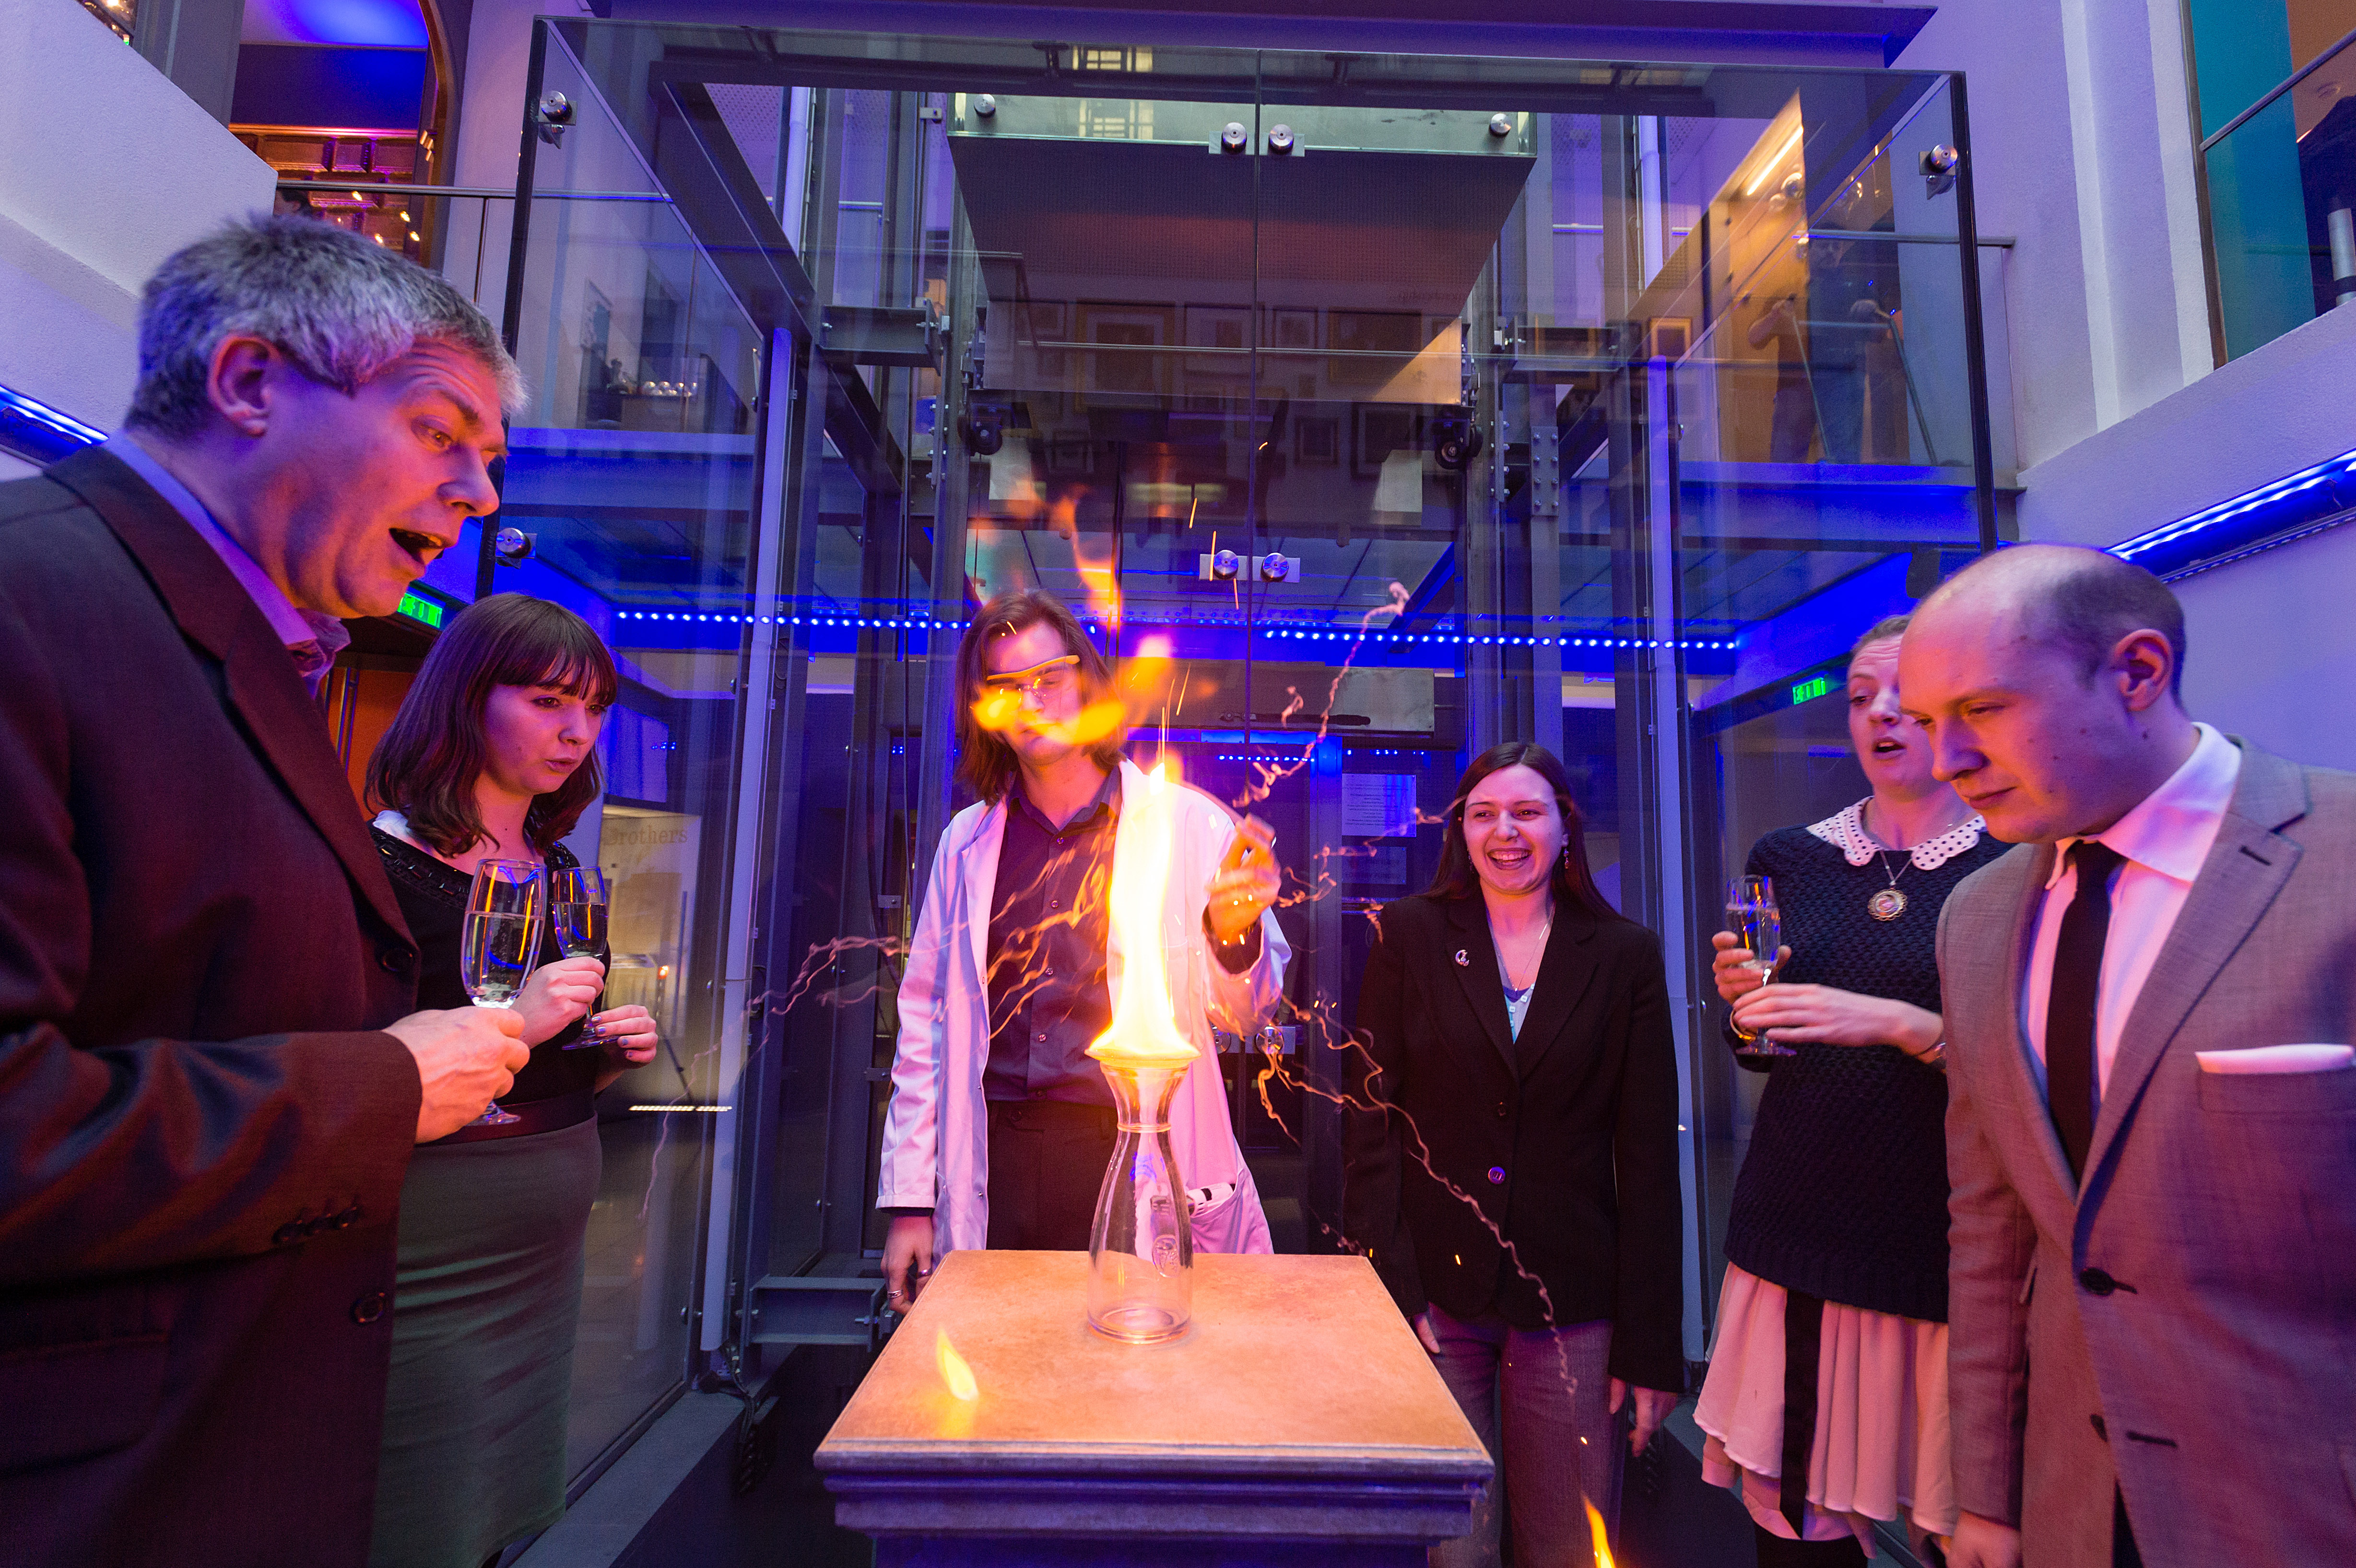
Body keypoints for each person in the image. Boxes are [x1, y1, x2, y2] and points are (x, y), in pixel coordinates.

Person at [0, 214, 532, 1566]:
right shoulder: (34, 602)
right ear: (249, 383)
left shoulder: (262, 654)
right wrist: (385, 1087)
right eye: (439, 432)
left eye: (488, 461)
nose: (478, 496)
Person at [1902, 544, 2356, 1568]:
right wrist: (1988, 1494)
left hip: (2299, 1509)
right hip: (2072, 1506)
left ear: (2135, 674)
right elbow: (1990, 1233)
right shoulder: (1974, 919)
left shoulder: (2338, 858)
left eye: (1979, 710)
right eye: (1929, 723)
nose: (1944, 761)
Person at [877, 589, 1289, 1308]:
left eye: (1047, 677)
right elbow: (926, 1028)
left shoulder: (1188, 827)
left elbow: (1251, 1013)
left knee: (1136, 1385)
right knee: (999, 1373)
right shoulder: (966, 843)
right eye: (1004, 687)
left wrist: (1233, 932)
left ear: (1087, 680)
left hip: (1128, 1150)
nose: (1028, 701)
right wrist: (912, 1202)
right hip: (995, 1157)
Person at [1695, 615, 2005, 1565]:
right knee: (1795, 1533)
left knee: (1965, 1526)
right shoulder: (1788, 858)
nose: (1877, 715)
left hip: (1945, 1250)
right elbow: (1758, 1046)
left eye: (1900, 697)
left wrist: (1899, 1025)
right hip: (1796, 1236)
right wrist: (1745, 1012)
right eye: (1859, 697)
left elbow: (2041, 1069)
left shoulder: (2015, 864)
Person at [361, 594, 660, 1568]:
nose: (576, 732)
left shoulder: (561, 865)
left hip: (547, 1232)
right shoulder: (384, 863)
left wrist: (609, 1046)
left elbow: (545, 1057)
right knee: (414, 1497)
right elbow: (353, 1060)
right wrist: (517, 1022)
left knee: (498, 1501)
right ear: (465, 701)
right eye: (545, 701)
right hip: (435, 1231)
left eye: (593, 708)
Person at [1345, 742, 1684, 1568]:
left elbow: (1646, 1161)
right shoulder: (1410, 936)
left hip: (1571, 1299)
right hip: (1438, 1293)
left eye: (1528, 812)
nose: (1506, 831)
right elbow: (1369, 1121)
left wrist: (1650, 1347)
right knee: (1452, 1550)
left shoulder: (1625, 955)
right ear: (1460, 829)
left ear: (1565, 827)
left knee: (1570, 1543)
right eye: (1484, 812)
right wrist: (1395, 1292)